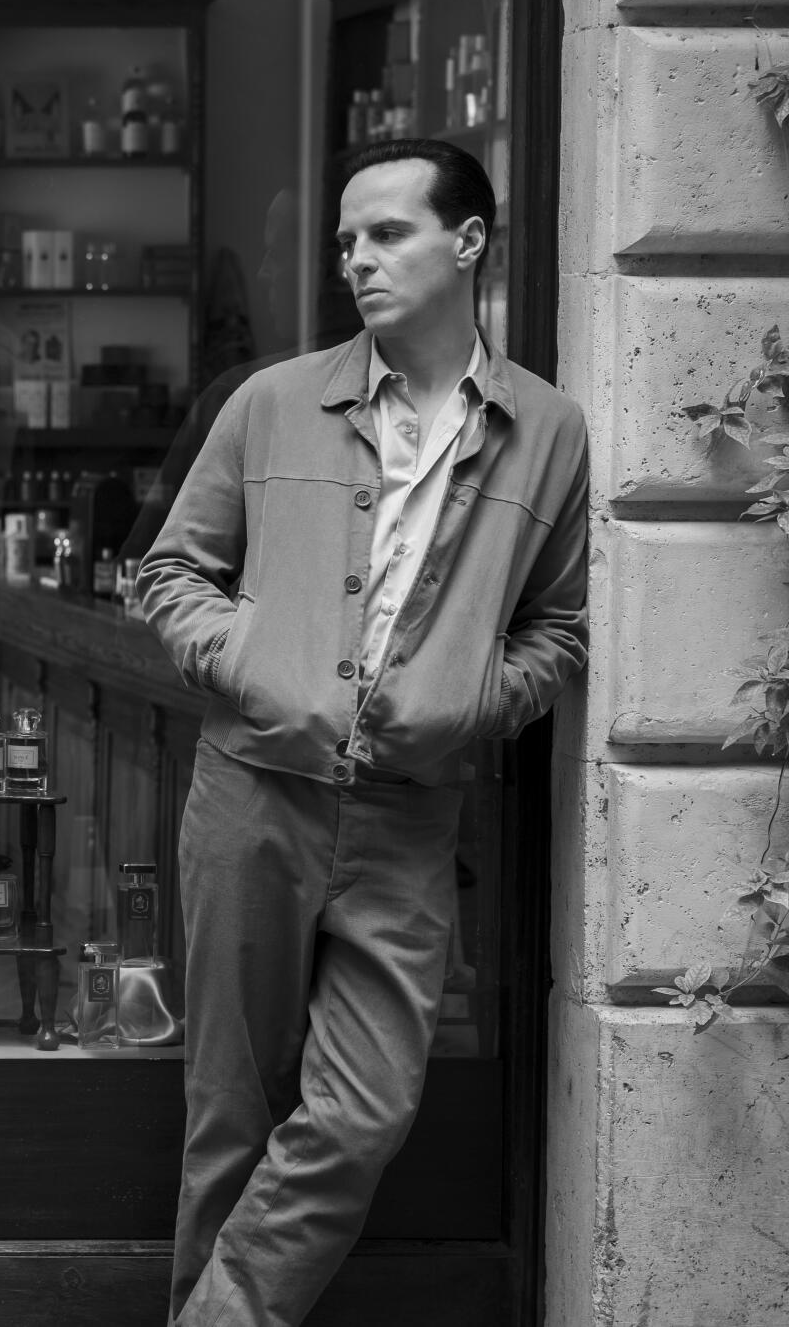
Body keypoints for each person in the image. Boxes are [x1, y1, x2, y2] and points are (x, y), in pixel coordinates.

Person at [140, 137, 589, 1326]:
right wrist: (254, 666)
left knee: (364, 1107)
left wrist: (468, 704)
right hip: (250, 793)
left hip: (405, 815)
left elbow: (560, 625)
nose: (355, 259)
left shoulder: (545, 430)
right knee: (229, 1110)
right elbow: (171, 571)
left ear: (467, 243)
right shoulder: (271, 400)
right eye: (346, 240)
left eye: (384, 232)